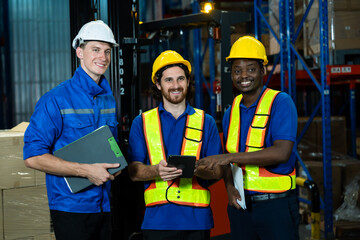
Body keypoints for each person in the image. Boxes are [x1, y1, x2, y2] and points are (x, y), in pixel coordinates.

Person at [23, 20, 121, 240]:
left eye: (107, 51)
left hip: (104, 206)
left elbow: (110, 146)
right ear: (79, 52)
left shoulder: (108, 100)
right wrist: (86, 171)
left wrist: (117, 165)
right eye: (95, 50)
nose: (103, 58)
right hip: (70, 209)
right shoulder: (55, 100)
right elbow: (32, 157)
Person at [196, 36, 300, 240]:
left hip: (275, 207)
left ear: (263, 70)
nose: (243, 75)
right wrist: (228, 187)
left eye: (251, 69)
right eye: (237, 70)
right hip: (240, 207)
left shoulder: (280, 102)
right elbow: (228, 158)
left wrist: (227, 158)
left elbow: (281, 152)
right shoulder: (231, 110)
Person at [127, 50, 223, 240]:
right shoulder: (142, 122)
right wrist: (157, 171)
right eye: (168, 80)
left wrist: (195, 169)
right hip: (157, 222)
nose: (175, 85)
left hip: (197, 221)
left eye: (180, 79)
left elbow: (218, 172)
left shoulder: (206, 121)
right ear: (158, 84)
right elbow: (133, 172)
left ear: (188, 82)